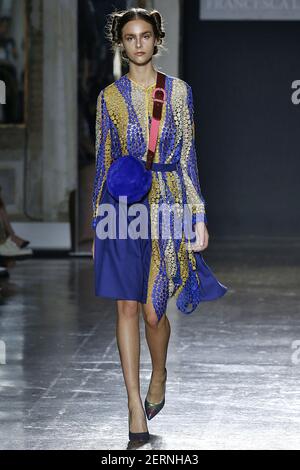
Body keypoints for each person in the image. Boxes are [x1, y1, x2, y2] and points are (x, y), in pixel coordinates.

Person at [92, 7, 228, 444]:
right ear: (122, 43)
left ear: (156, 40)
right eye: (130, 37)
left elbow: (188, 159)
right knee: (125, 306)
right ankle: (134, 405)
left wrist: (198, 215)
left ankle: (160, 373)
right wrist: (99, 224)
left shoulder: (180, 94)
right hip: (123, 208)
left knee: (153, 310)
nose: (138, 44)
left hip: (168, 204)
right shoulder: (109, 99)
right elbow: (103, 164)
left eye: (145, 35)